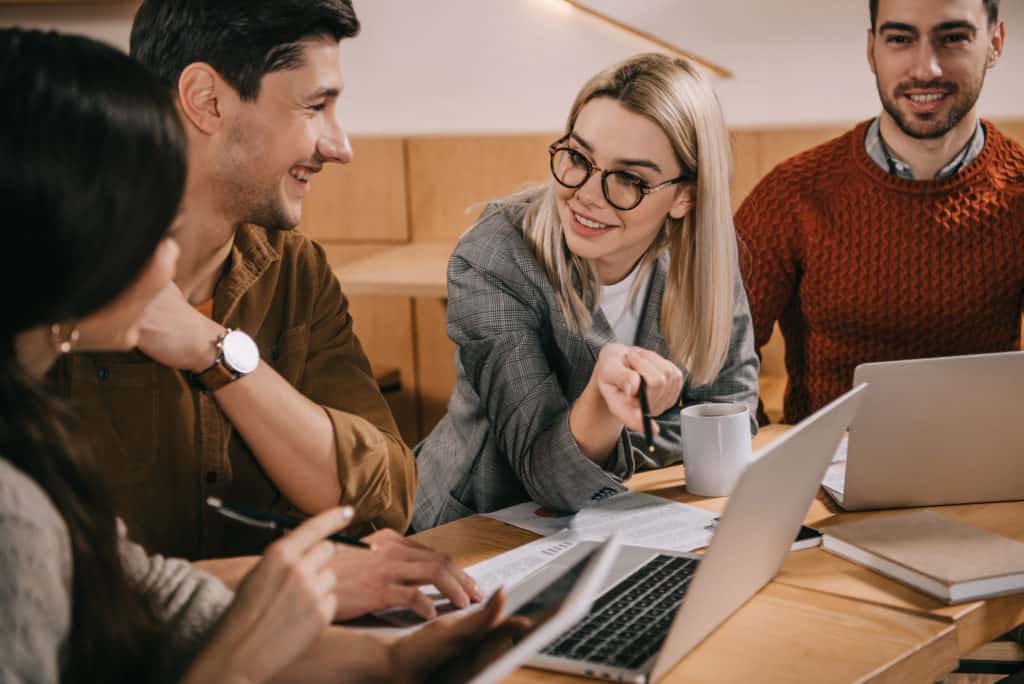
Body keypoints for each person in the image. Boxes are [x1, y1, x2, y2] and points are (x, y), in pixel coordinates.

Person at [0, 27, 520, 684]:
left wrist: (389, 660)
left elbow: (144, 593)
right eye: (145, 216)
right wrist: (239, 658)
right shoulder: (12, 513)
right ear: (50, 225)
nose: (166, 254)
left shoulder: (30, 435)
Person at [413, 53, 760, 530]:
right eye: (578, 158)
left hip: (620, 520)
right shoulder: (495, 254)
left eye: (631, 179)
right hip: (475, 529)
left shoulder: (701, 257)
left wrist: (611, 442)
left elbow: (733, 419)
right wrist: (604, 403)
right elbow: (544, 476)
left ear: (686, 197)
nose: (588, 195)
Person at [735, 0, 1024, 425]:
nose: (926, 68)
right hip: (820, 476)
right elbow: (717, 358)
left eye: (954, 38)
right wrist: (759, 453)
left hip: (985, 478)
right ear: (873, 50)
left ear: (995, 43)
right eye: (900, 39)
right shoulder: (790, 193)